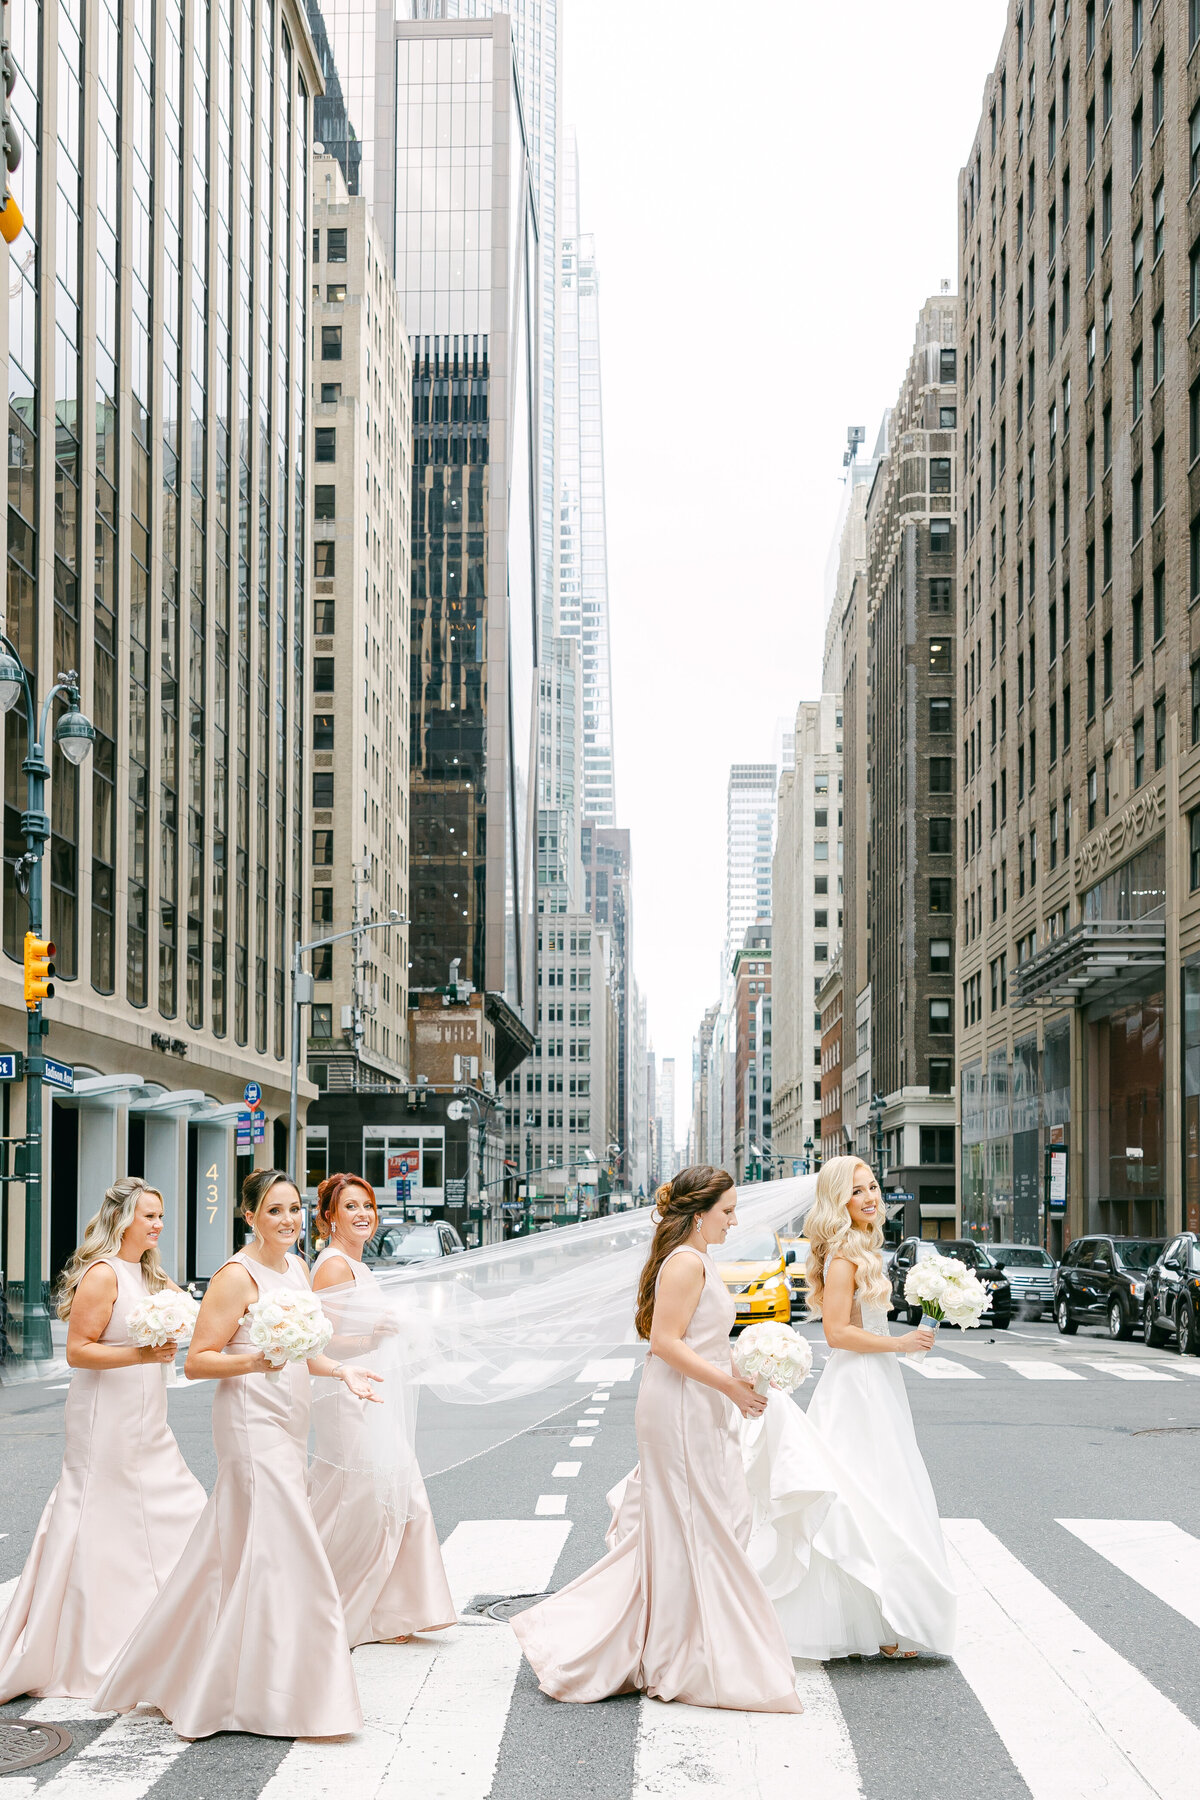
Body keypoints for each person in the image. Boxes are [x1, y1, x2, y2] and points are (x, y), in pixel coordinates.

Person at [94, 1169, 379, 1739]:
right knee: (293, 1549)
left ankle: (218, 1676)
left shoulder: (297, 1268)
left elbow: (306, 1352)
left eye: (294, 1209)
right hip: (251, 1425)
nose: (289, 1220)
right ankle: (303, 1695)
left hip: (290, 1418)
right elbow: (197, 1361)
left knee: (244, 1550)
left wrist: (341, 1368)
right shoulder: (235, 1275)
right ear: (249, 1216)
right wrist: (258, 1360)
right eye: (274, 1211)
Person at [512, 1165, 802, 1713]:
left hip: (701, 1399)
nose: (734, 1220)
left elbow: (700, 1338)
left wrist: (749, 1365)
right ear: (698, 1216)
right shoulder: (687, 1262)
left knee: (705, 1520)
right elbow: (666, 1342)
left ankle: (674, 1639)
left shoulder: (700, 1260)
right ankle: (679, 1652)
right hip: (681, 1404)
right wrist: (732, 1386)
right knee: (699, 1522)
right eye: (727, 1211)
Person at [0, 1179, 205, 1703]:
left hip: (146, 1411)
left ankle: (161, 1627)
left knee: (175, 1503)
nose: (158, 1225)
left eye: (161, 1216)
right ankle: (88, 1643)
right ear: (123, 1219)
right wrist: (142, 1355)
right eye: (149, 1217)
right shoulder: (102, 1273)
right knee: (104, 1514)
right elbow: (79, 1352)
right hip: (104, 1414)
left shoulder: (150, 1274)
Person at [746, 1155, 956, 1660]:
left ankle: (884, 1619)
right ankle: (883, 1621)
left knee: (881, 1492)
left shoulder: (865, 1250)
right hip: (857, 1386)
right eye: (857, 1191)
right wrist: (901, 1345)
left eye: (873, 1188)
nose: (870, 1197)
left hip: (878, 1382)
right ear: (838, 1201)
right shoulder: (843, 1257)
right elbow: (838, 1334)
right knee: (865, 1495)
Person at [308, 1172, 454, 1646]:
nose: (363, 1214)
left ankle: (389, 1610)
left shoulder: (361, 1268)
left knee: (392, 1495)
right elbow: (322, 1344)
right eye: (350, 1206)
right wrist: (374, 1337)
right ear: (329, 1217)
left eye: (368, 1205)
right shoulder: (332, 1267)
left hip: (369, 1391)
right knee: (360, 1500)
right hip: (347, 1397)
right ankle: (336, 1606)